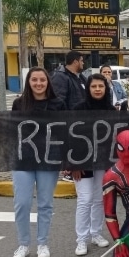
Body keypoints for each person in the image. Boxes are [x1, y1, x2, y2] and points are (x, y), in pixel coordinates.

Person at [11, 67, 66, 257]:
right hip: (22, 160)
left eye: (42, 80)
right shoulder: (19, 104)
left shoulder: (58, 104)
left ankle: (42, 243)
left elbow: (64, 131)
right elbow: (12, 130)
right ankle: (23, 244)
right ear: (29, 82)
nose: (38, 84)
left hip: (49, 159)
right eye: (34, 80)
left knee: (45, 204)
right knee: (22, 203)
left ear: (47, 82)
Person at [71, 74, 116, 256]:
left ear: (106, 88)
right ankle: (81, 239)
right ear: (88, 89)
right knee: (85, 199)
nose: (97, 89)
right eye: (93, 86)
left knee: (99, 199)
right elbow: (70, 137)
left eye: (101, 86)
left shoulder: (112, 111)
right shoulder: (78, 109)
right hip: (81, 163)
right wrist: (73, 163)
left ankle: (96, 233)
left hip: (103, 162)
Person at [51, 50, 87, 182]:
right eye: (82, 60)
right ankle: (68, 171)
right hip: (69, 125)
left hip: (82, 125)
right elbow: (58, 101)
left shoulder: (81, 77)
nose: (83, 63)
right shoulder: (60, 77)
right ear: (75, 61)